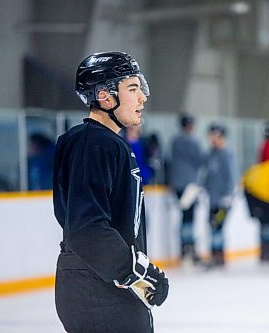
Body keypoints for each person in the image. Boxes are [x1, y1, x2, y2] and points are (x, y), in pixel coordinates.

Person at [53, 51, 169, 333]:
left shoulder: (99, 142)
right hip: (98, 285)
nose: (142, 96)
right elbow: (88, 227)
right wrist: (136, 270)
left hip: (101, 281)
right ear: (106, 96)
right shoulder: (95, 143)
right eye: (133, 88)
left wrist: (132, 273)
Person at [169, 113, 205, 265]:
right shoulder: (192, 141)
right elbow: (201, 160)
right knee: (189, 217)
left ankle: (184, 248)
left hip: (176, 183)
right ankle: (189, 248)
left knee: (185, 216)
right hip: (189, 184)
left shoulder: (175, 141)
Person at [202, 123, 236, 268]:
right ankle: (214, 255)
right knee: (212, 225)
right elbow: (207, 175)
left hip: (223, 201)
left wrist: (228, 195)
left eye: (215, 136)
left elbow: (232, 176)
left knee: (217, 226)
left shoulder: (226, 154)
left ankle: (218, 257)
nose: (213, 139)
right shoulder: (210, 154)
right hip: (212, 199)